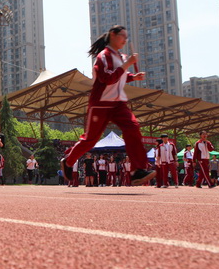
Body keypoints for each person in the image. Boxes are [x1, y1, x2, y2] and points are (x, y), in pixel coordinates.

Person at [60, 25, 154, 186]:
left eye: (126, 37)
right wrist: (127, 64)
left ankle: (137, 170)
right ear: (113, 35)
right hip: (101, 104)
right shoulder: (103, 56)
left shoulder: (121, 57)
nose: (125, 40)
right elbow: (107, 78)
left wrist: (133, 77)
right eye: (122, 36)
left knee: (133, 127)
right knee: (91, 140)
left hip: (118, 104)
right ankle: (68, 160)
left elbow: (121, 75)